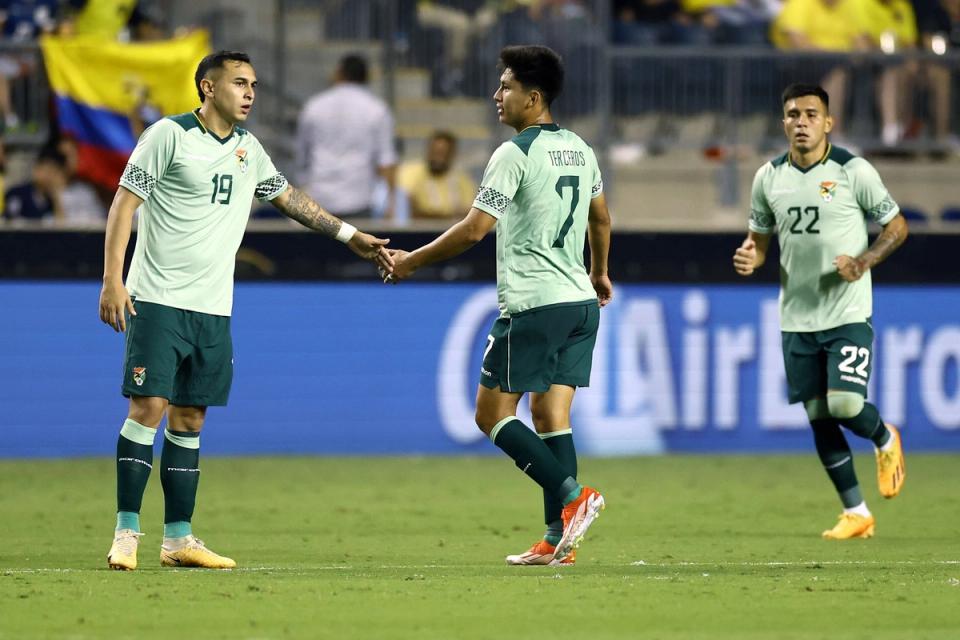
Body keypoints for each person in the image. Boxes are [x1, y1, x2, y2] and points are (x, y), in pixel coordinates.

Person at [99, 50, 393, 571]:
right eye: (239, 83)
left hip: (214, 308)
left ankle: (178, 540)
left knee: (190, 418)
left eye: (254, 84)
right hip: (158, 299)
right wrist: (112, 280)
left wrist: (350, 235)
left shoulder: (248, 148)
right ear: (208, 88)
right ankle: (126, 532)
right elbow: (124, 204)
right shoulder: (168, 136)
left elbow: (290, 198)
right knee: (148, 408)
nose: (250, 93)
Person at [382, 45, 610, 566]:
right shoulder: (581, 148)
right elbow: (600, 218)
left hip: (535, 304)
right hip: (580, 303)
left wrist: (412, 261)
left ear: (534, 98)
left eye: (506, 86)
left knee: (491, 414)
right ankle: (558, 540)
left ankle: (574, 497)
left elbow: (474, 229)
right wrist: (598, 271)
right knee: (551, 413)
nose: (496, 95)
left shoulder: (514, 154)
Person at [733, 83, 908, 540]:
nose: (802, 122)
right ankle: (856, 513)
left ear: (829, 122)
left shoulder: (853, 170)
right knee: (818, 415)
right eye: (793, 114)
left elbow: (896, 226)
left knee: (845, 403)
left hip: (847, 311)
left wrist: (864, 261)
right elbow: (760, 241)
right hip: (796, 317)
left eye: (812, 114)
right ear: (783, 123)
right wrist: (752, 256)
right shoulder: (768, 177)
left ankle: (884, 437)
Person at [295, 54, 397, 219]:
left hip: (319, 198)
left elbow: (302, 154)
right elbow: (386, 160)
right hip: (358, 199)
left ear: (339, 73)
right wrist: (391, 204)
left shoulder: (314, 106)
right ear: (366, 77)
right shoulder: (377, 109)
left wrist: (303, 185)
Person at [397, 130, 476, 220]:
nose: (438, 158)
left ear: (453, 154)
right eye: (435, 152)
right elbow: (407, 209)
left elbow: (469, 214)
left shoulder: (463, 180)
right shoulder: (410, 173)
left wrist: (432, 214)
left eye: (443, 153)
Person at [3, 147, 67, 221]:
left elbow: (60, 224)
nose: (48, 176)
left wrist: (56, 199)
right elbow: (9, 221)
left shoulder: (51, 200)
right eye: (47, 170)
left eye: (53, 172)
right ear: (36, 169)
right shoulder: (17, 193)